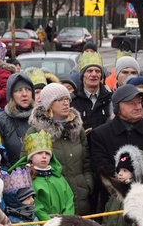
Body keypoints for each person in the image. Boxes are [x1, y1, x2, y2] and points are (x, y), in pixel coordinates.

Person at [90, 84, 143, 211]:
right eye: (131, 103)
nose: (138, 107)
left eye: (139, 102)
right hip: (116, 203)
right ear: (117, 108)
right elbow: (101, 168)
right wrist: (125, 184)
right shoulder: (101, 134)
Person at [24, 82, 93, 216]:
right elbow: (27, 167)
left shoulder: (78, 130)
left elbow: (86, 162)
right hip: (52, 203)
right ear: (49, 104)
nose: (66, 103)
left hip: (81, 197)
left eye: (67, 99)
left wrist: (87, 184)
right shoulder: (36, 131)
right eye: (59, 100)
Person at [10, 132, 74, 222]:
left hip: (64, 223)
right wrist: (49, 222)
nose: (44, 156)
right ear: (31, 157)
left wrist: (66, 220)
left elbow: (69, 200)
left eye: (47, 154)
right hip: (41, 225)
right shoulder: (26, 180)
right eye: (39, 153)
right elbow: (35, 206)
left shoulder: (59, 177)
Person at [102, 145, 143, 226]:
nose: (120, 174)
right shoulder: (115, 194)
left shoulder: (139, 196)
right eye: (119, 170)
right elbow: (106, 216)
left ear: (136, 173)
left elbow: (139, 225)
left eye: (125, 171)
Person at [0, 73, 35, 163]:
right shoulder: (0, 120)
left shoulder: (41, 117)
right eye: (18, 90)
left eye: (28, 89)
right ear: (11, 95)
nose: (24, 94)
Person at [70, 51, 112, 131]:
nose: (94, 74)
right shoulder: (72, 100)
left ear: (101, 76)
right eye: (89, 71)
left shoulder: (111, 99)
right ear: (83, 76)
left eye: (97, 71)